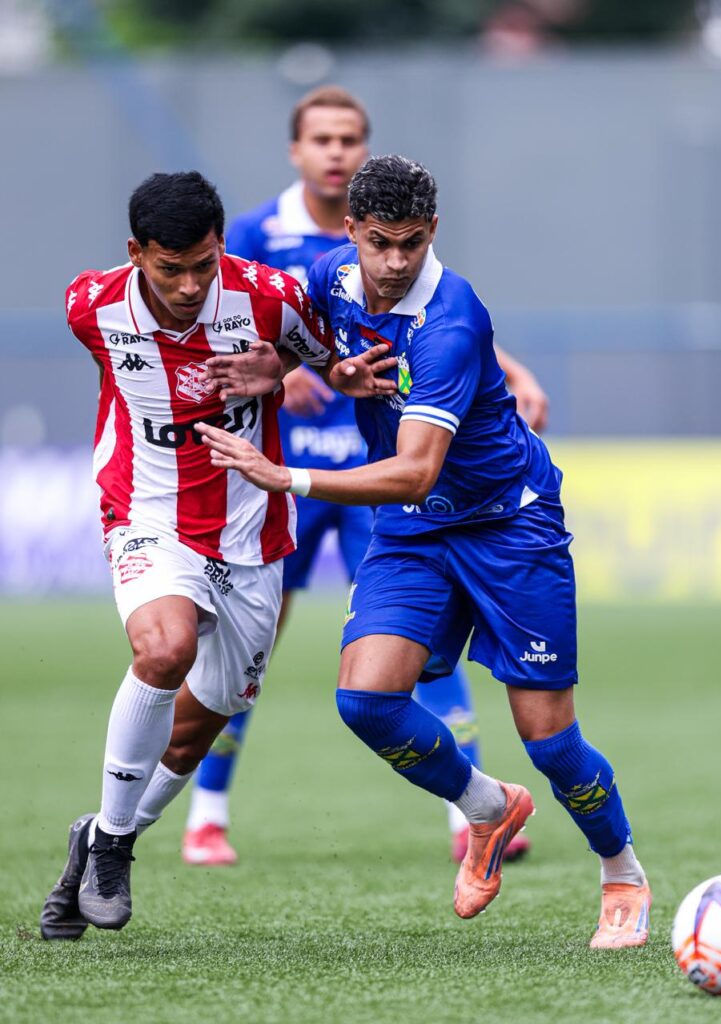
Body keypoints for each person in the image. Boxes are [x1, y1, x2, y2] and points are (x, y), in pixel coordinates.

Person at [197, 155, 652, 947]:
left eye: (411, 243)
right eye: (380, 242)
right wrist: (313, 368)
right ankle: (484, 805)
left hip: (509, 524)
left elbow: (414, 468)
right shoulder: (331, 276)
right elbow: (304, 348)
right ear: (353, 233)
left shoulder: (449, 322)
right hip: (417, 530)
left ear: (432, 232)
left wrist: (285, 476)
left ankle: (621, 872)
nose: (395, 261)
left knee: (550, 742)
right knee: (365, 700)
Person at [183, 85, 548, 867]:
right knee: (253, 642)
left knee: (414, 633)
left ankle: (468, 812)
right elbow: (248, 338)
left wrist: (512, 371)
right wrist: (280, 371)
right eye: (322, 138)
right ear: (298, 152)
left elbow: (442, 336)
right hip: (284, 463)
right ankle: (207, 815)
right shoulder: (256, 235)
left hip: (378, 469)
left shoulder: (398, 244)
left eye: (350, 138)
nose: (336, 151)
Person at [39, 170, 390, 939]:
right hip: (146, 512)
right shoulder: (90, 307)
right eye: (171, 268)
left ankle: (103, 833)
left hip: (251, 530)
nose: (192, 284)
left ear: (221, 245)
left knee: (205, 721)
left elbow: (336, 361)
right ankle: (116, 855)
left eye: (204, 263)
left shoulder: (270, 297)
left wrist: (293, 370)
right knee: (161, 651)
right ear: (136, 253)